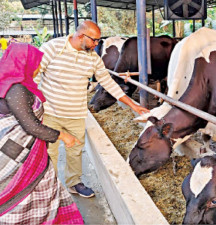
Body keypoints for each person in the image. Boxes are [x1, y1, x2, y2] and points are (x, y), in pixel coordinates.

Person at [35, 20, 150, 198]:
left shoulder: (93, 58)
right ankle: (51, 187)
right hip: (50, 113)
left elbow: (108, 83)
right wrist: (33, 107)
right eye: (94, 40)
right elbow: (34, 74)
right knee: (50, 153)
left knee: (75, 151)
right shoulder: (52, 48)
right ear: (80, 35)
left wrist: (133, 105)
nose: (97, 44)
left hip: (76, 114)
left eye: (98, 40)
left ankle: (74, 182)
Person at [0, 43, 84, 224]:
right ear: (25, 63)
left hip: (26, 151)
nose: (39, 67)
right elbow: (31, 126)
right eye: (36, 63)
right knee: (26, 191)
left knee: (42, 185)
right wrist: (63, 135)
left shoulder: (16, 84)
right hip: (18, 156)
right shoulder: (16, 89)